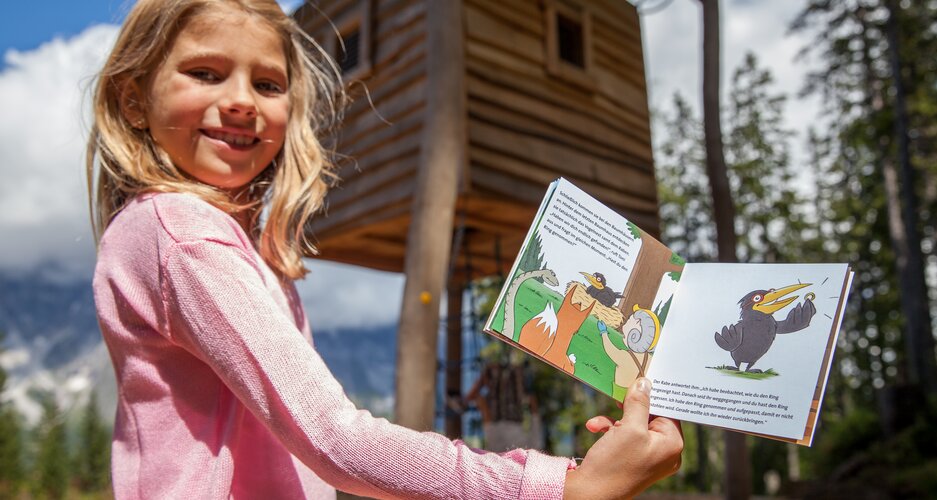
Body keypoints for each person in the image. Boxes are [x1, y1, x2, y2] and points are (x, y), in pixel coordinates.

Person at [86, 0, 684, 498]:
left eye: (268, 83)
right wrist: (563, 487)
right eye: (206, 73)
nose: (242, 99)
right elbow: (336, 439)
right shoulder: (182, 233)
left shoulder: (217, 242)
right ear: (133, 99)